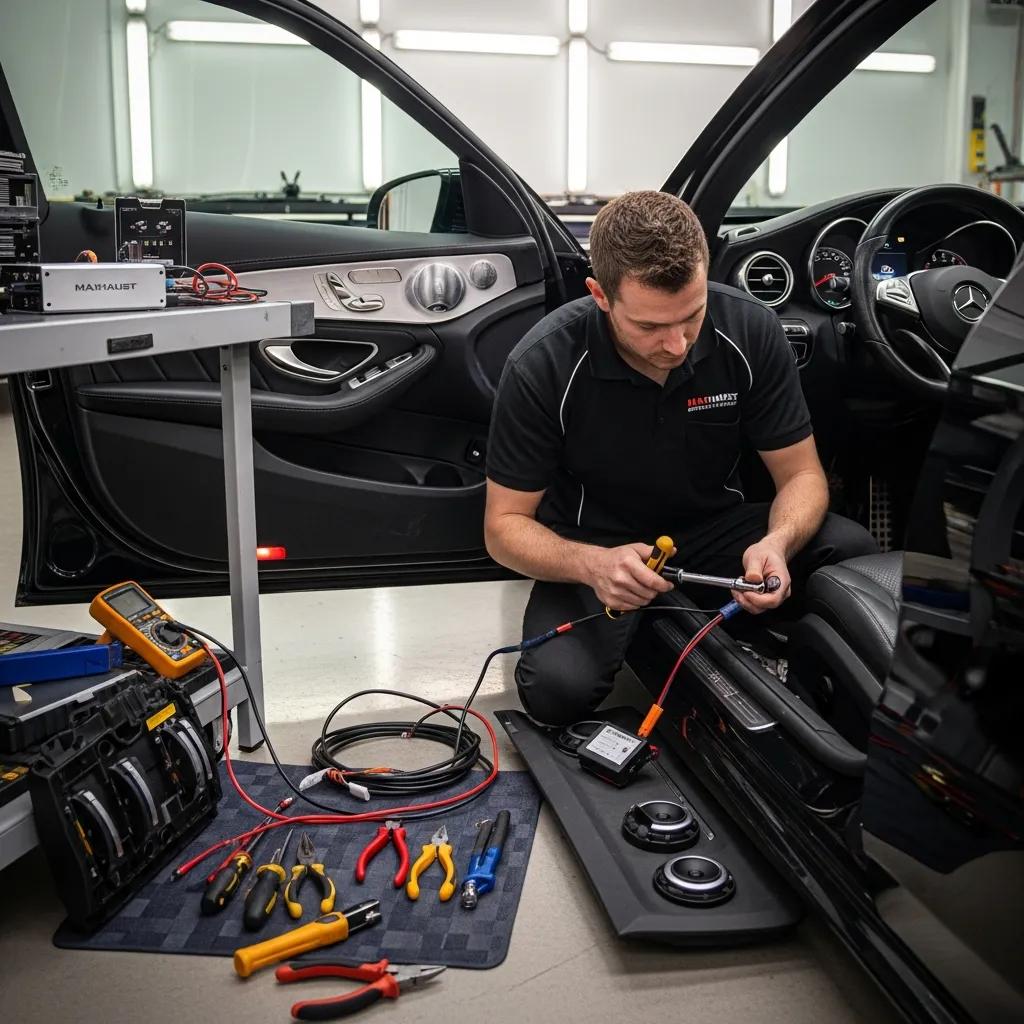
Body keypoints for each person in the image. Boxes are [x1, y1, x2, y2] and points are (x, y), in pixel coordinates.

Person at [482, 190, 877, 728]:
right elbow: (503, 528)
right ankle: (674, 617)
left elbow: (802, 475)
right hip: (598, 545)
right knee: (555, 693)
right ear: (600, 295)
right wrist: (592, 566)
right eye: (649, 327)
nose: (676, 345)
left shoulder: (751, 330)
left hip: (714, 531)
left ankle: (680, 615)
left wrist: (777, 544)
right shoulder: (542, 364)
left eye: (691, 316)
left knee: (850, 549)